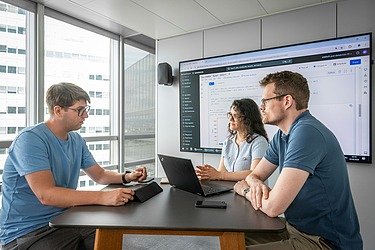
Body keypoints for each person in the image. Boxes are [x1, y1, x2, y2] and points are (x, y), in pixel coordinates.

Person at [0, 82, 147, 250]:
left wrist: (127, 176)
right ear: (58, 110)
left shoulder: (76, 140)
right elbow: (46, 195)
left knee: (113, 242)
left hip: (66, 219)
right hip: (27, 232)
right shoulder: (30, 140)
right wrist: (103, 198)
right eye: (80, 110)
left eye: (86, 109)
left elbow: (99, 175)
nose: (85, 115)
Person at [234, 71, 362, 249]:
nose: (261, 107)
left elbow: (273, 208)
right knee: (232, 238)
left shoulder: (307, 132)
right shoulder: (282, 135)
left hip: (325, 242)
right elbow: (255, 174)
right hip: (293, 228)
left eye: (265, 101)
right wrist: (254, 183)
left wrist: (245, 190)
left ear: (287, 101)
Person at [196, 98, 268, 181]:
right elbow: (221, 172)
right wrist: (209, 175)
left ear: (248, 119)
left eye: (235, 116)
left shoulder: (259, 141)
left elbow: (254, 174)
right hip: (231, 192)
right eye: (230, 115)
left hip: (250, 192)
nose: (230, 119)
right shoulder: (228, 142)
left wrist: (219, 175)